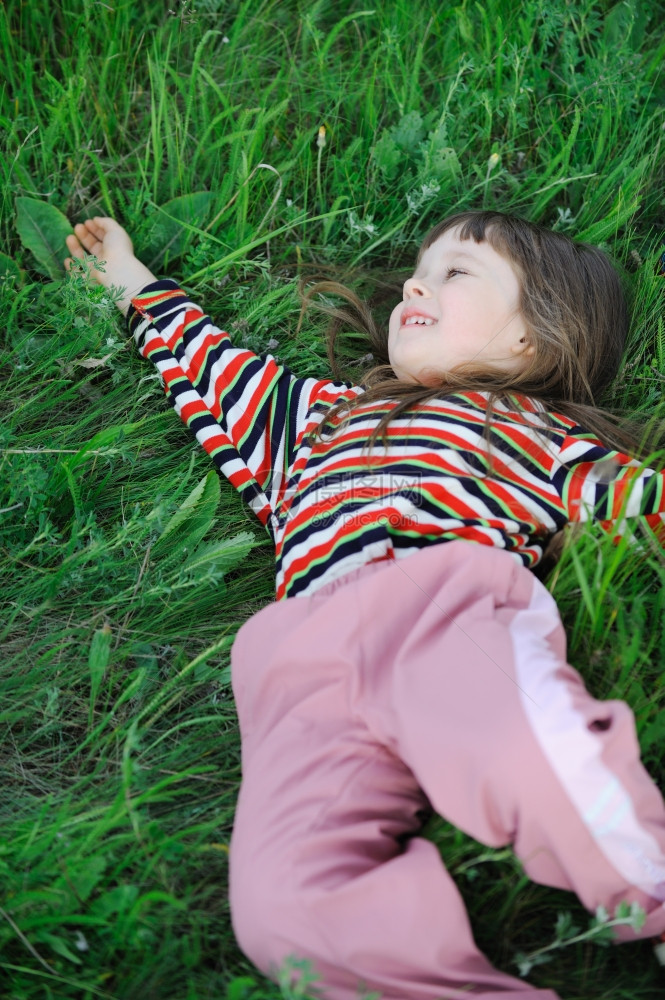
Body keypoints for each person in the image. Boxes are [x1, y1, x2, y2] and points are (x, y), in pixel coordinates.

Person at [64, 212, 665, 1000]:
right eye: (421, 269)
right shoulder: (312, 418)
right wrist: (130, 281)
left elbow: (644, 502)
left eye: (456, 273)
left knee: (529, 756)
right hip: (300, 663)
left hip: (441, 611)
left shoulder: (538, 433)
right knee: (283, 911)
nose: (416, 283)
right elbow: (210, 366)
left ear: (534, 338)